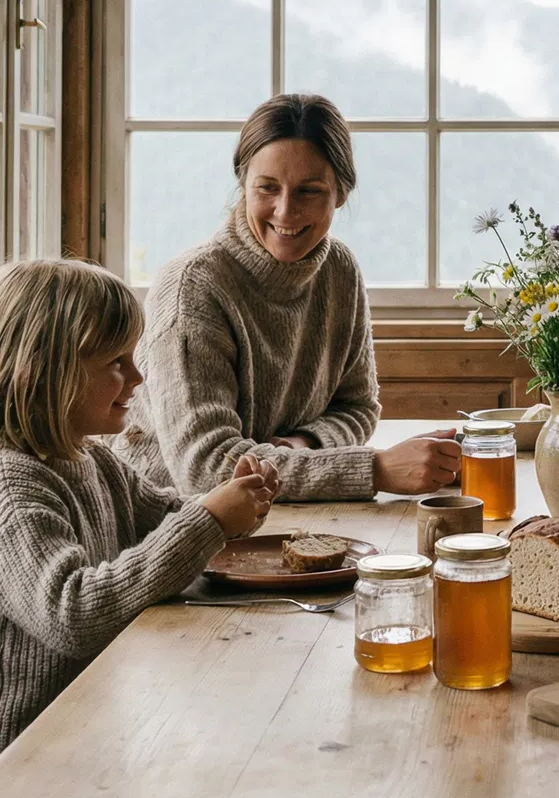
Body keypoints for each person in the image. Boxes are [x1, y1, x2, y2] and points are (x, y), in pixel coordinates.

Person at [0, 259, 279, 798]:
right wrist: (210, 521)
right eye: (117, 361)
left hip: (82, 732)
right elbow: (74, 613)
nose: (137, 378)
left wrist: (237, 505)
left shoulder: (90, 459)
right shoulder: (4, 484)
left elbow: (166, 517)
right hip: (11, 765)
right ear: (43, 370)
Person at [119, 93, 460, 500]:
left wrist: (307, 443)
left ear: (341, 194)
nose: (285, 211)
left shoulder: (339, 270)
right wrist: (375, 471)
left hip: (282, 512)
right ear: (243, 185)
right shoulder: (192, 287)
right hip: (172, 521)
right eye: (267, 188)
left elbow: (358, 407)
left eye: (309, 191)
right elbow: (206, 467)